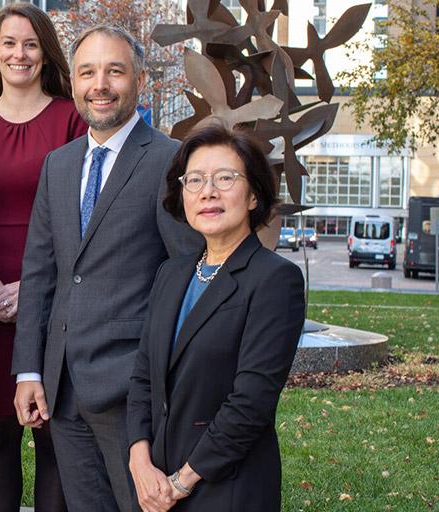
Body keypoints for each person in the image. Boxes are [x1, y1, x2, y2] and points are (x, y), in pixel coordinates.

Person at [10, 24, 202, 512]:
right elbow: (40, 273)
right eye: (88, 72)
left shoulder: (169, 161)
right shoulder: (58, 164)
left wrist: (170, 383)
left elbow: (186, 274)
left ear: (139, 79)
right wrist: (29, 370)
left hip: (132, 389)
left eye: (114, 71)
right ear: (72, 83)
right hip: (63, 387)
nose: (100, 85)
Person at [126, 125, 304, 512]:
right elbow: (143, 377)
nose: (208, 191)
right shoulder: (170, 274)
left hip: (227, 487)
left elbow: (251, 403)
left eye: (225, 178)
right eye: (195, 180)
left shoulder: (275, 280)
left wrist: (181, 482)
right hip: (155, 482)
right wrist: (139, 461)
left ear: (254, 194)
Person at [0, 4, 85, 511]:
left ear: (45, 53)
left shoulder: (71, 118)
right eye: (9, 43)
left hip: (58, 294)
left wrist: (34, 290)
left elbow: (84, 212)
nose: (19, 54)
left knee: (53, 432)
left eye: (30, 43)